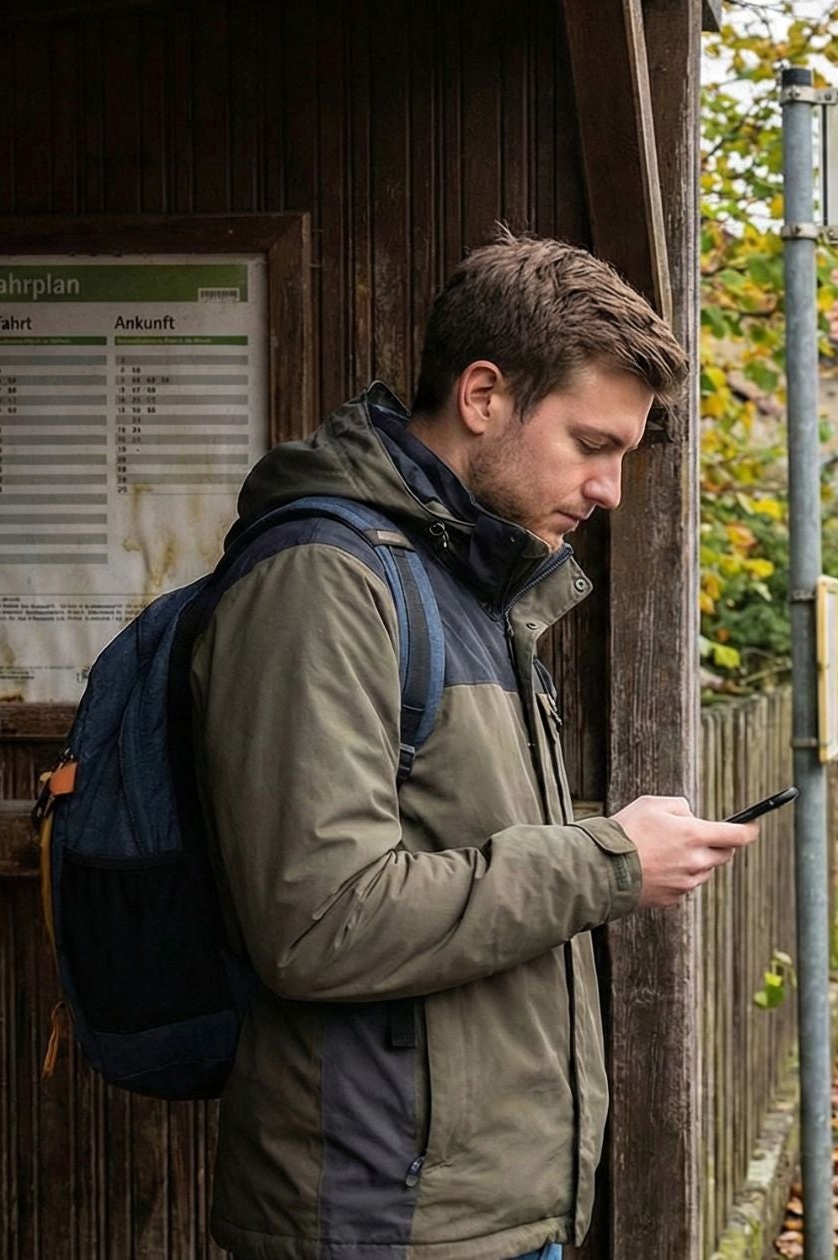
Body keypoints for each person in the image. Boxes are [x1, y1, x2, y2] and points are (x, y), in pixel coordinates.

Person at [188, 232, 758, 1260]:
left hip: (479, 1217)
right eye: (592, 444)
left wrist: (611, 843)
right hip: (376, 1225)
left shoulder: (467, 583)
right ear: (484, 395)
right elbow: (318, 918)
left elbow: (450, 840)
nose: (609, 489)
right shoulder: (324, 584)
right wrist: (608, 860)